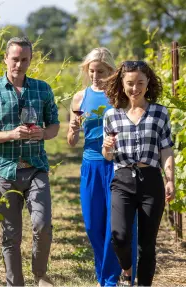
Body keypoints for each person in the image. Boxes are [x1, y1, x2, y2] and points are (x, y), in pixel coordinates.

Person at [0, 36, 60, 287]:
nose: (19, 65)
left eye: (24, 59)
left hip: (36, 168)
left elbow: (54, 125)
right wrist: (11, 134)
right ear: (5, 59)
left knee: (42, 225)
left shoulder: (42, 89)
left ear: (30, 60)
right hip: (5, 171)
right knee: (10, 235)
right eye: (15, 59)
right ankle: (15, 283)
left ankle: (40, 274)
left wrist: (43, 133)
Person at [67, 47, 137, 287]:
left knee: (113, 228)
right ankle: (106, 275)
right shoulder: (79, 97)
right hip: (90, 166)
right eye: (91, 70)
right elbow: (71, 141)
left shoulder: (119, 97)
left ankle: (108, 280)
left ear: (111, 71)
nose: (95, 75)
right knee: (92, 225)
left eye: (101, 71)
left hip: (116, 166)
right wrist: (74, 129)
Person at [102, 60, 175, 286]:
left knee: (147, 243)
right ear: (122, 84)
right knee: (120, 236)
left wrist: (169, 179)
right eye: (130, 83)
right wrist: (106, 148)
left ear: (148, 83)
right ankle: (126, 272)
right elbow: (108, 156)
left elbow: (166, 149)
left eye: (140, 83)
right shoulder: (111, 115)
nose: (135, 88)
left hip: (151, 180)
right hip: (123, 179)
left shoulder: (159, 113)